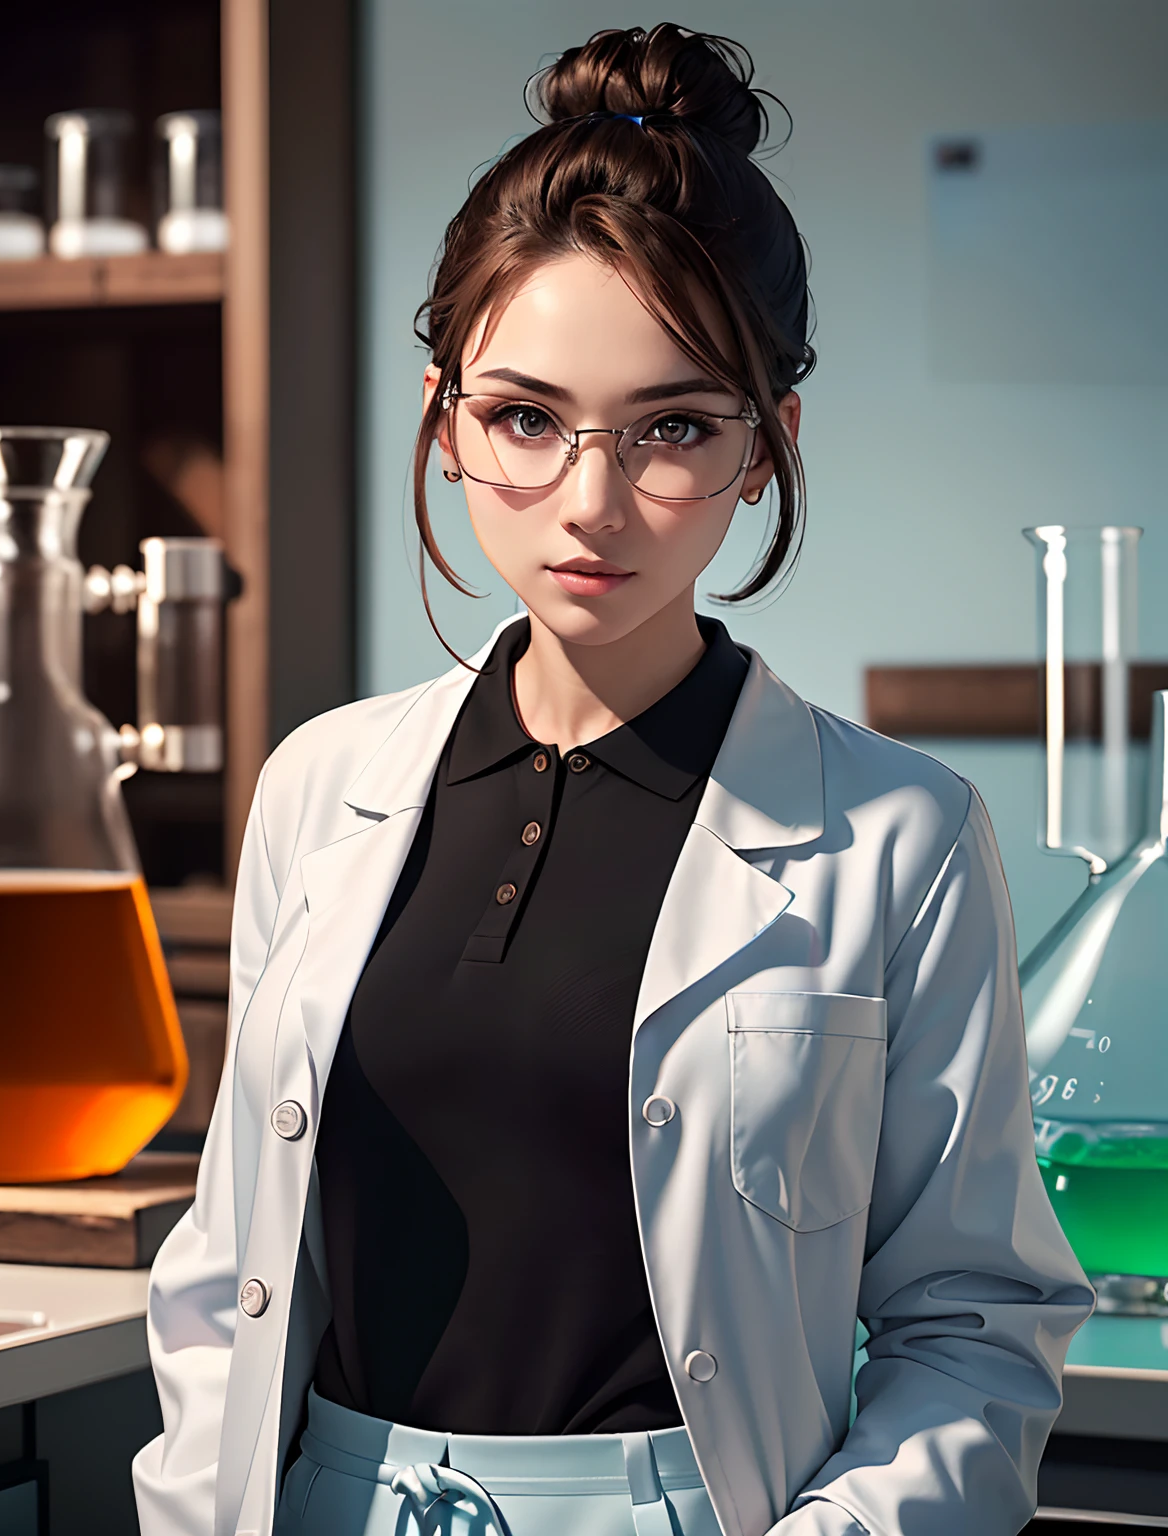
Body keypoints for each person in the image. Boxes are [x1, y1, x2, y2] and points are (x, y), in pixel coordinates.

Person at [133, 24, 1093, 1536]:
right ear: (446, 419)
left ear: (770, 442)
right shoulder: (320, 786)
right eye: (524, 418)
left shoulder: (901, 836)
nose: (591, 502)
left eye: (672, 429)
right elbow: (225, 1266)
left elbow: (970, 1325)